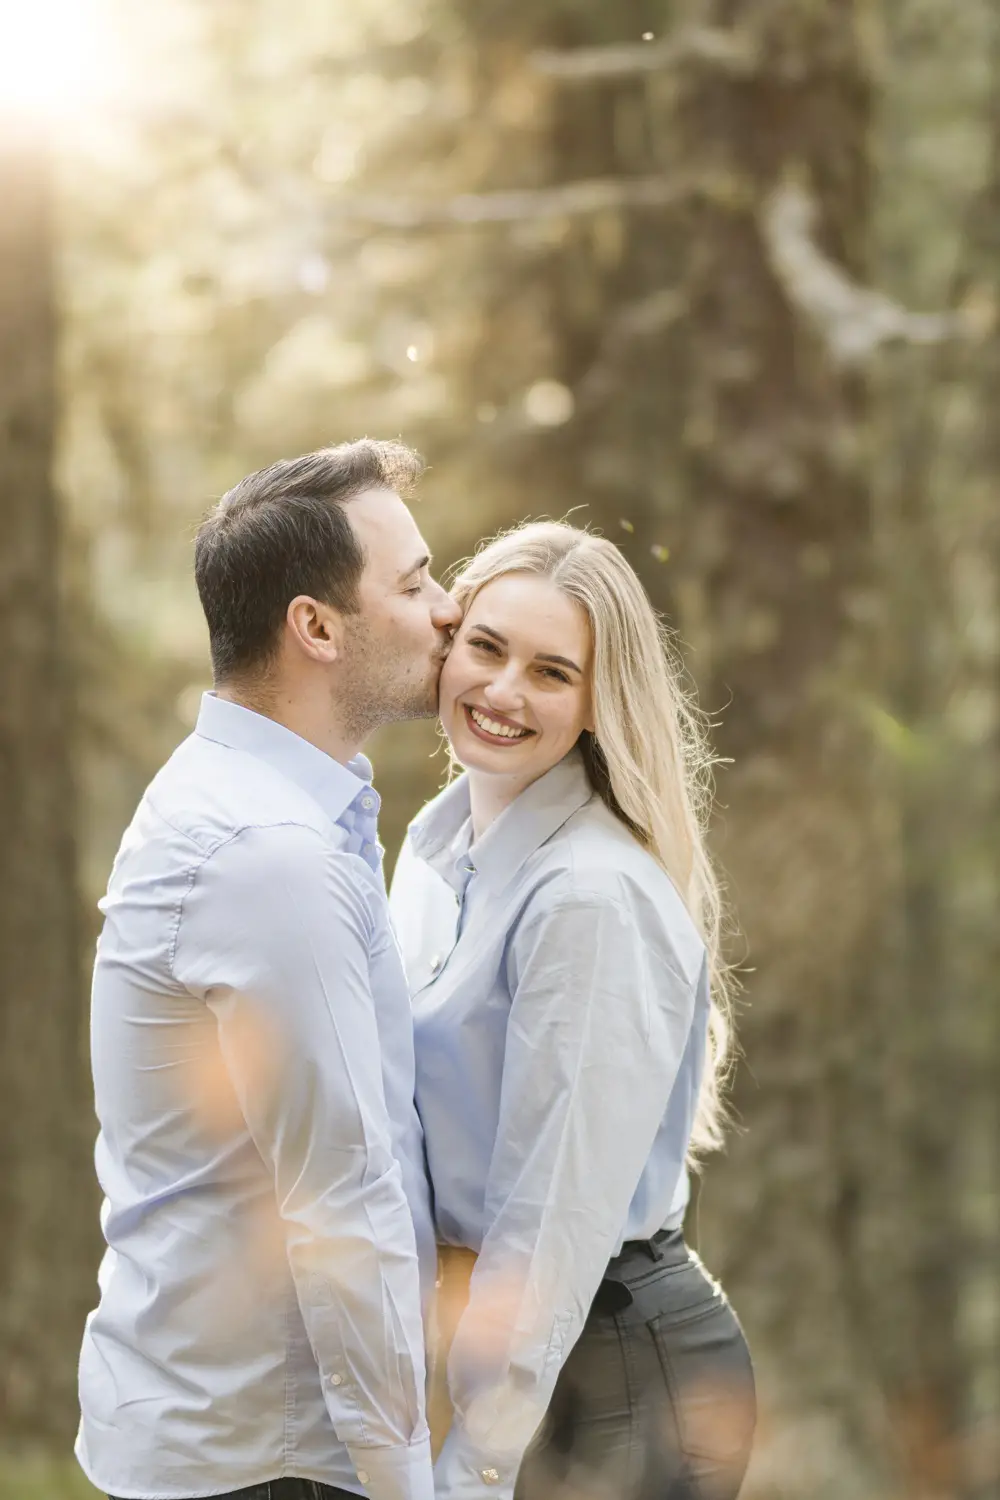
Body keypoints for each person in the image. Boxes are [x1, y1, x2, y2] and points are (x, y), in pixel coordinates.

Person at [77, 440, 462, 1500]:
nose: (450, 609)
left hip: (226, 1438)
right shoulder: (268, 856)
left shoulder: (255, 807)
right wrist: (402, 1481)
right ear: (316, 628)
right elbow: (344, 1202)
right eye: (417, 581)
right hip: (271, 1460)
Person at [389, 522, 756, 1500]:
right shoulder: (435, 847)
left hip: (612, 1370)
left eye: (552, 672)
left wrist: (477, 1462)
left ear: (598, 703)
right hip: (522, 1353)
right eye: (486, 647)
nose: (503, 691)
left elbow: (549, 1219)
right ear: (445, 643)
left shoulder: (587, 895)